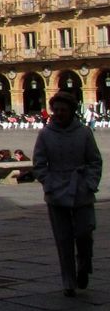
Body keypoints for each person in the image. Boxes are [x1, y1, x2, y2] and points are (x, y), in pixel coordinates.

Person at [34, 92, 103, 296]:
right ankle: (68, 282)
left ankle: (84, 264)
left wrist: (89, 183)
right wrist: (48, 182)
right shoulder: (45, 134)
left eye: (63, 110)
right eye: (57, 110)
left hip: (81, 188)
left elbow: (95, 161)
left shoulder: (84, 133)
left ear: (72, 111)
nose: (59, 114)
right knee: (63, 239)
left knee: (84, 233)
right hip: (56, 191)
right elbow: (39, 163)